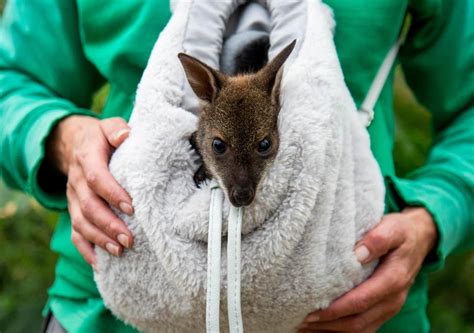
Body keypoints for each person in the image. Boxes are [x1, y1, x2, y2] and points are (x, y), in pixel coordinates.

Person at [0, 0, 472, 332]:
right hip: (115, 301)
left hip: (346, 309)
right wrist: (66, 140)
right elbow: (11, 81)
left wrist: (431, 215)